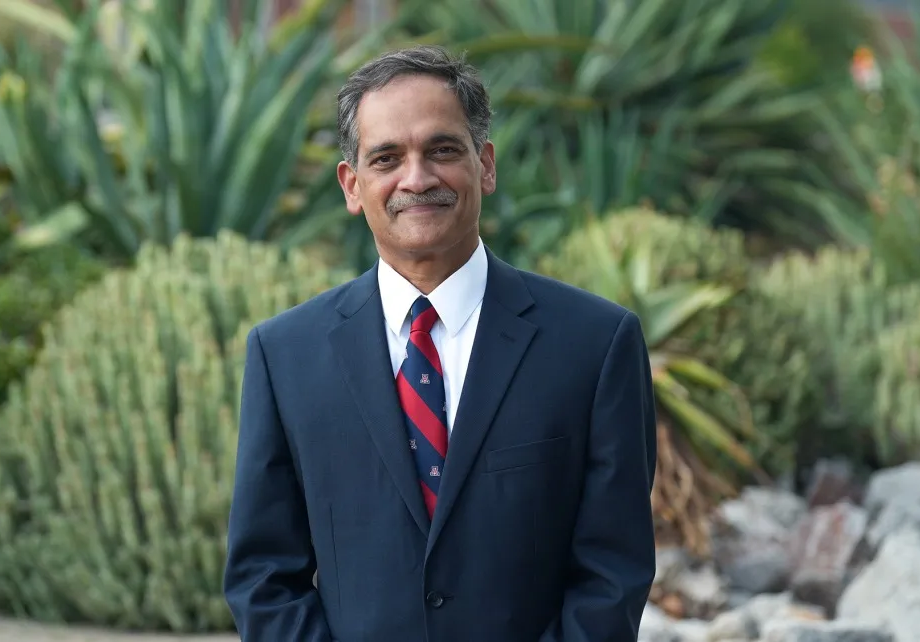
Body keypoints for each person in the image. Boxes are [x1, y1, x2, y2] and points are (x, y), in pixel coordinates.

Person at [222, 44, 657, 642]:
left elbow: (613, 571)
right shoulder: (285, 355)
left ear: (486, 165)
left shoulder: (595, 345)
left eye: (442, 150)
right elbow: (263, 577)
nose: (416, 178)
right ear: (352, 186)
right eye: (386, 158)